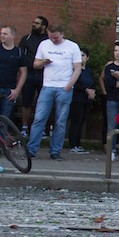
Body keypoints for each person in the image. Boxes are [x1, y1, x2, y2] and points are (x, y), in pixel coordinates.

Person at [26, 22, 84, 160]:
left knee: (60, 120)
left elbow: (77, 68)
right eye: (51, 38)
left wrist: (69, 85)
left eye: (56, 38)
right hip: (47, 85)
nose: (53, 40)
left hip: (63, 86)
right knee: (39, 118)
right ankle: (31, 149)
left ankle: (55, 151)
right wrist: (43, 63)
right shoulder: (44, 44)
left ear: (62, 34)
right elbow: (35, 64)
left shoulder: (72, 46)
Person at [17, 15, 47, 129]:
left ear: (43, 26)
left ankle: (41, 128)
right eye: (33, 22)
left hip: (43, 75)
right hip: (28, 74)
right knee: (26, 102)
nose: (33, 25)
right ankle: (24, 128)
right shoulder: (26, 39)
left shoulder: (48, 40)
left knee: (43, 103)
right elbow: (19, 56)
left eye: (37, 23)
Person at [65, 50, 97, 153]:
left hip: (86, 100)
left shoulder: (88, 70)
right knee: (76, 121)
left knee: (82, 122)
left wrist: (92, 91)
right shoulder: (74, 70)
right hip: (77, 99)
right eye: (79, 55)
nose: (81, 58)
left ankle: (78, 144)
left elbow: (92, 82)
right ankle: (72, 145)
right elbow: (76, 84)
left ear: (87, 58)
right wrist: (85, 90)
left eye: (83, 55)